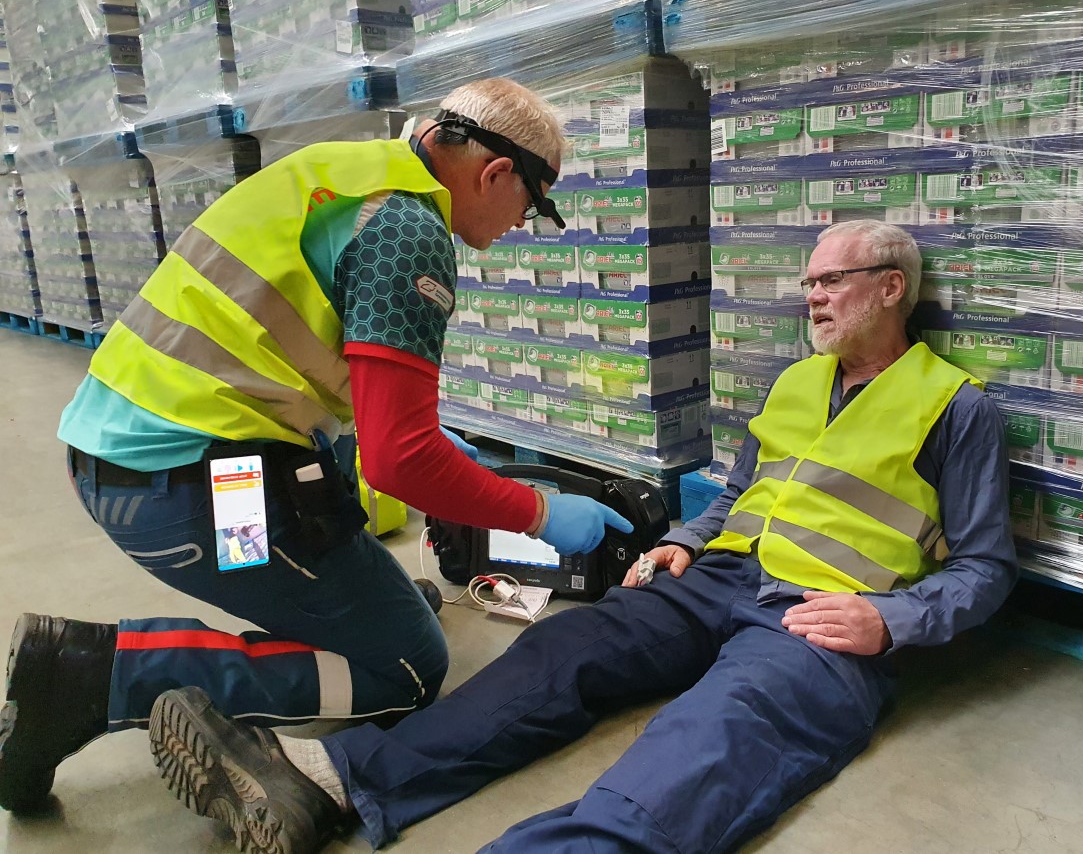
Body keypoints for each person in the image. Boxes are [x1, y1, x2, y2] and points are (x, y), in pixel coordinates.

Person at [147, 219, 1019, 853]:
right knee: (565, 649)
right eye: (809, 285)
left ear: (892, 287)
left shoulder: (956, 406)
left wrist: (889, 623)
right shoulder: (796, 381)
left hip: (818, 618)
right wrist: (686, 538)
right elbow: (746, 491)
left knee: (710, 736)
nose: (813, 298)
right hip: (715, 579)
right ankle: (335, 779)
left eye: (832, 282)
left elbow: (984, 567)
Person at [0, 78, 633, 814]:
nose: (523, 223)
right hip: (187, 488)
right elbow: (402, 462)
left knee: (383, 569)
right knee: (409, 664)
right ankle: (94, 675)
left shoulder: (345, 173)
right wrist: (537, 514)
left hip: (128, 452)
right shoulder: (407, 231)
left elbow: (290, 348)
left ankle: (343, 600)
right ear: (497, 173)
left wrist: (402, 431)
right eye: (532, 205)